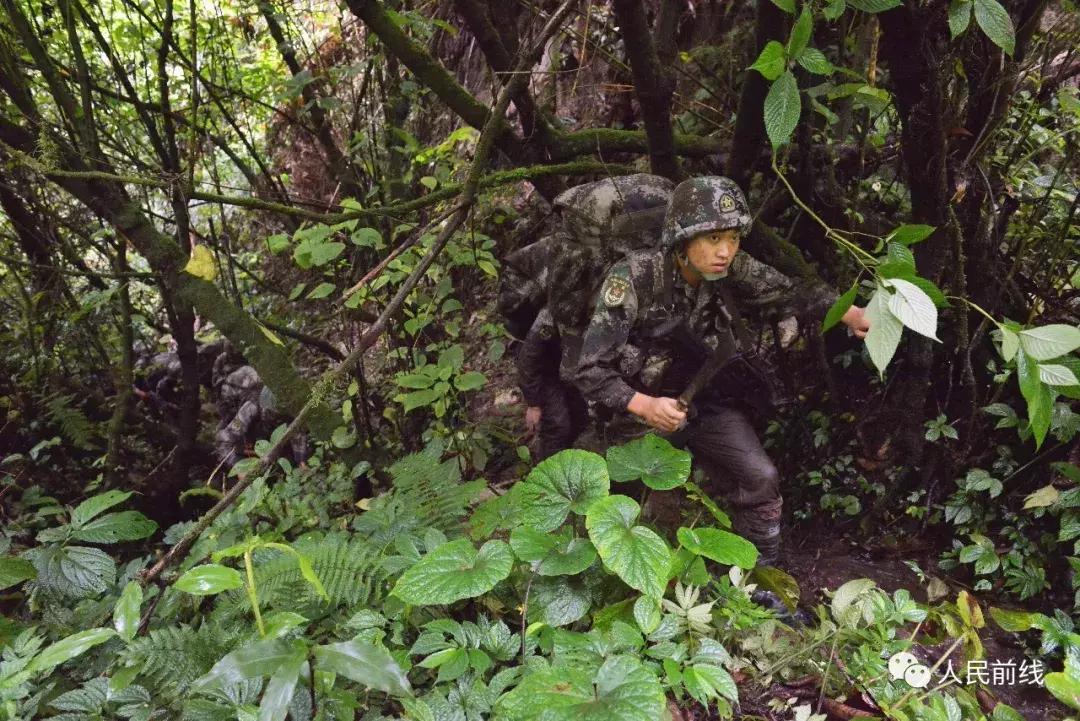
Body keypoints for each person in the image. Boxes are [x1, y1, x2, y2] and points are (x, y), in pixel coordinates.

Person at [572, 176, 870, 566]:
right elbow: (589, 369)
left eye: (732, 237)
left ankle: (760, 582)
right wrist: (644, 405)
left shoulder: (732, 267)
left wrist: (850, 312)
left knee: (760, 477)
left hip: (702, 401)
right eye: (713, 239)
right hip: (636, 415)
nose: (726, 251)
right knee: (625, 510)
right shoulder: (633, 278)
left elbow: (789, 292)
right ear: (682, 239)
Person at [507, 174, 675, 459]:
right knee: (558, 425)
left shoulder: (597, 299)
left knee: (578, 419)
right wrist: (533, 403)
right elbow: (530, 356)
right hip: (546, 370)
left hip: (569, 364)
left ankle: (577, 467)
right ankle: (548, 482)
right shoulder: (558, 309)